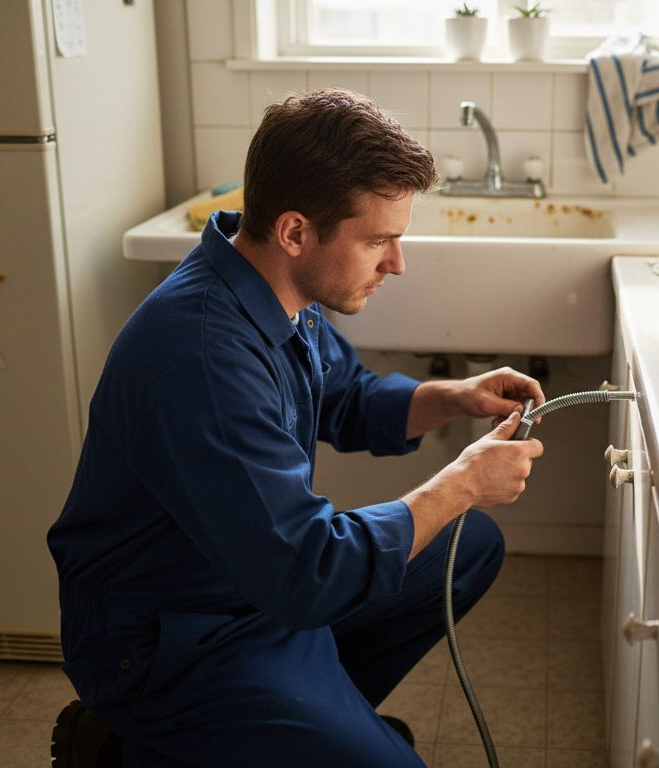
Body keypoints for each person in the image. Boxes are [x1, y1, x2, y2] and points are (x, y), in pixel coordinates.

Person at [47, 88, 546, 767]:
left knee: (470, 544)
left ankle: (293, 724)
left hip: (253, 587)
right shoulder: (201, 357)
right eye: (378, 241)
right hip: (173, 641)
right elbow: (309, 572)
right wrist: (460, 481)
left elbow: (346, 398)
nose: (397, 264)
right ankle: (137, 745)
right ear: (294, 231)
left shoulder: (274, 289)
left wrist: (454, 396)